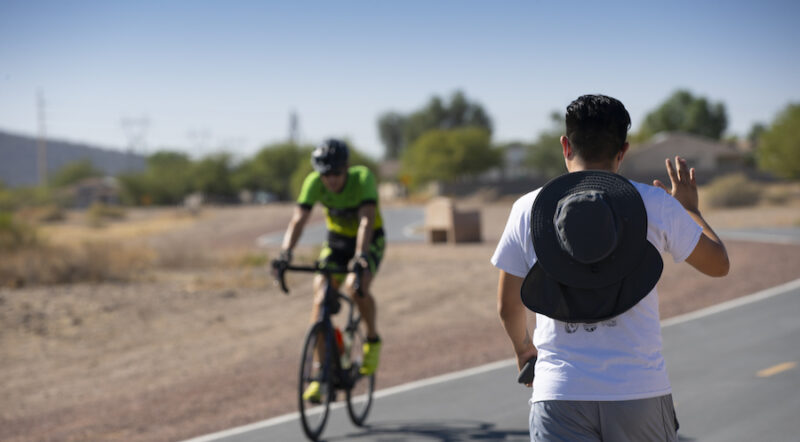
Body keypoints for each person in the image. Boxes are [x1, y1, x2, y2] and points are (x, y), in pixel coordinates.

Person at [491, 95, 729, 441]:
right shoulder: (654, 203)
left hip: (559, 393)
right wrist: (690, 210)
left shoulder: (528, 209)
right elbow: (719, 265)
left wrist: (524, 349)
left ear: (565, 145)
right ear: (623, 150)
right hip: (638, 390)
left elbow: (507, 306)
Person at [275, 138, 385, 402]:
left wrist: (360, 256)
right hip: (336, 242)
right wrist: (285, 253)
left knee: (355, 287)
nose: (330, 180)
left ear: (346, 168)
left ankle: (372, 340)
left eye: (336, 173)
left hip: (368, 240)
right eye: (325, 174)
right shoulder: (314, 182)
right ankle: (319, 375)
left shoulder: (362, 178)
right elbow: (298, 219)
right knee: (320, 299)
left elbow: (366, 220)